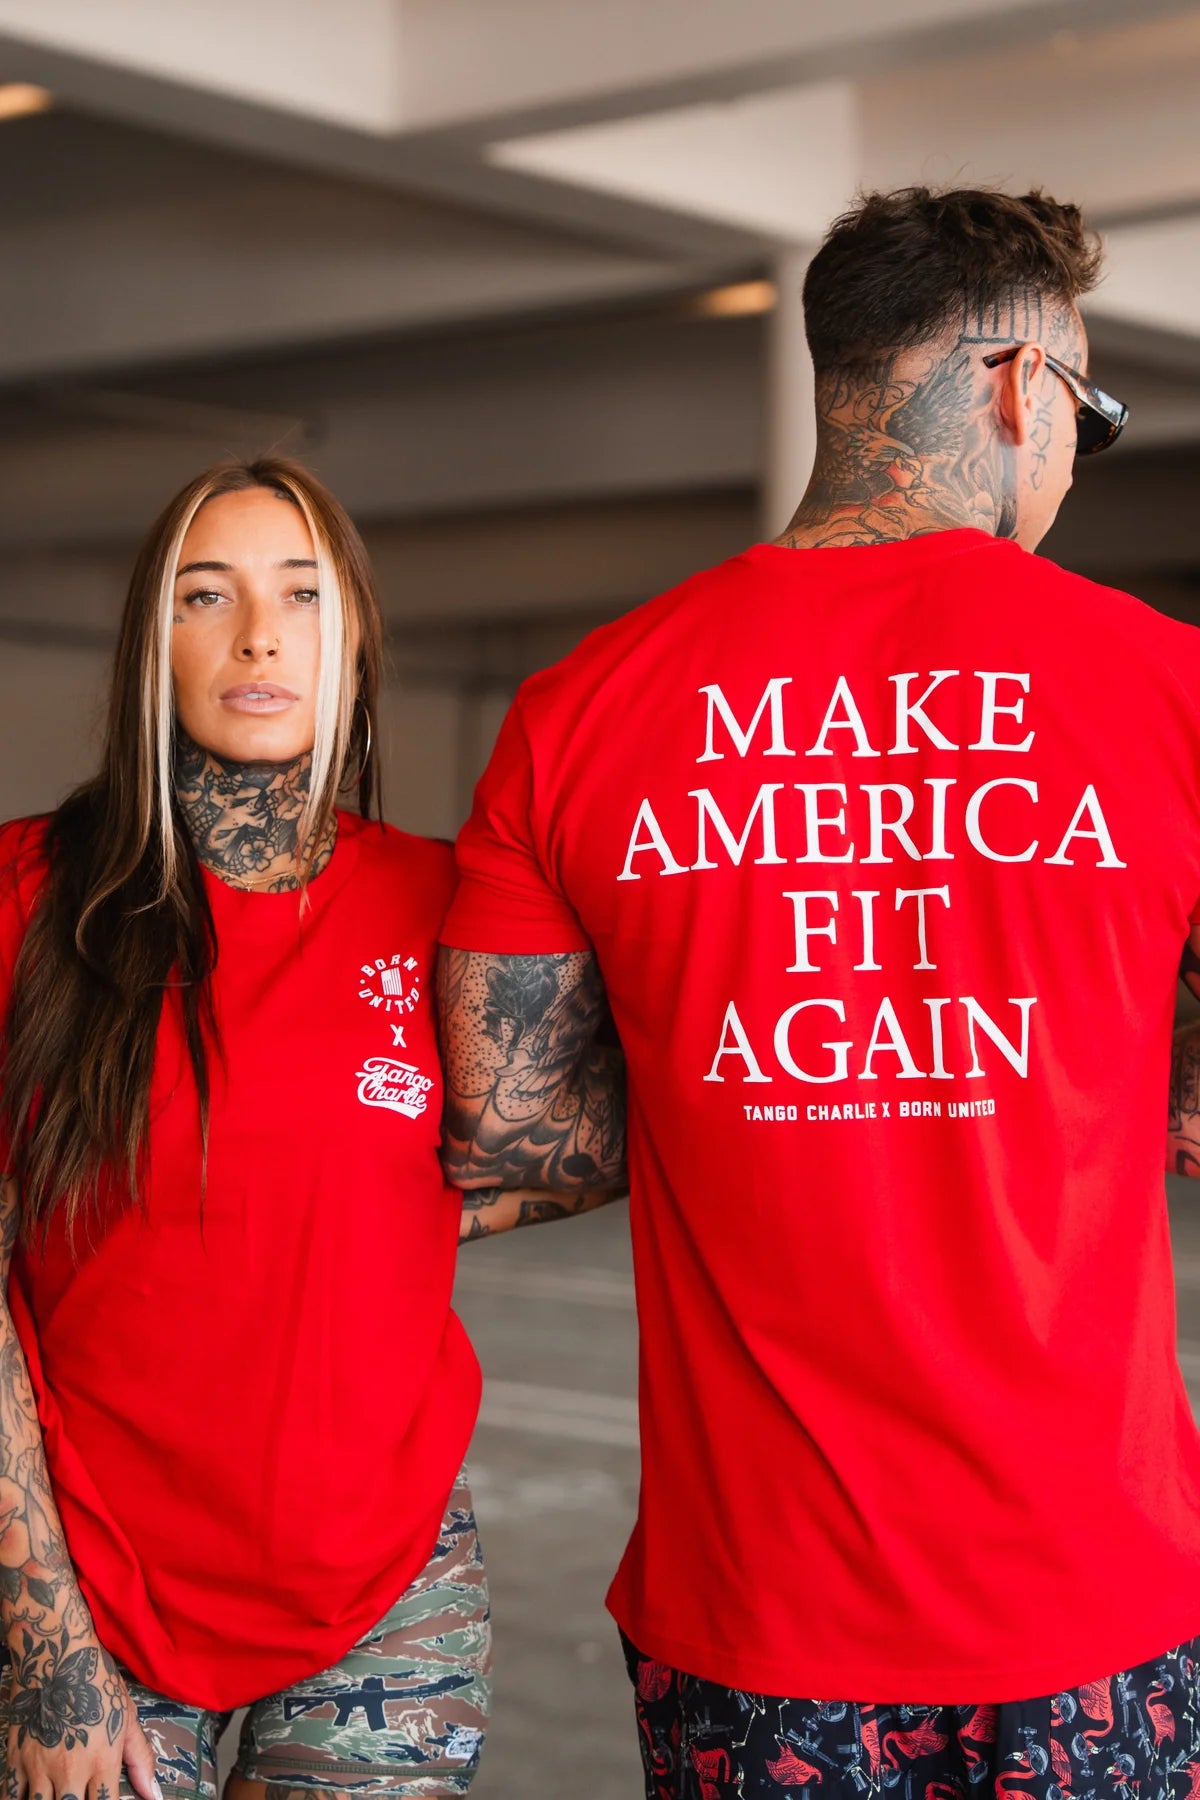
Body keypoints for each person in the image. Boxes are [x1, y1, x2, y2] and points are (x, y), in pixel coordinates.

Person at [437, 187, 1200, 1798]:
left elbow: (515, 1128)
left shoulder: (586, 707)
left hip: (753, 1615)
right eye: (1089, 419)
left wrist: (733, 1080)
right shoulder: (1169, 693)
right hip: (1090, 1603)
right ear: (1019, 387)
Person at [0, 457, 609, 1800]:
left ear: (352, 639)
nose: (260, 636)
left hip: (384, 1592)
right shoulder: (23, 900)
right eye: (206, 595)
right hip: (86, 1587)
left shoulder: (450, 904)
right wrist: (40, 1646)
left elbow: (599, 1114)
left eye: (303, 596)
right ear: (149, 641)